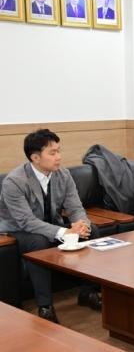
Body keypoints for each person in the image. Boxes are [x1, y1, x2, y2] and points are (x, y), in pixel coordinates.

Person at [0, 129, 101, 323]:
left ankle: (88, 293)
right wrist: (64, 231)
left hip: (50, 225)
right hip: (17, 229)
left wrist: (82, 225)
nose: (59, 157)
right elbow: (26, 222)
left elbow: (75, 207)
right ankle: (45, 306)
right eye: (52, 153)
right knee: (38, 241)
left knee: (92, 231)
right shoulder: (15, 181)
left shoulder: (63, 175)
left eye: (59, 151)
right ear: (35, 157)